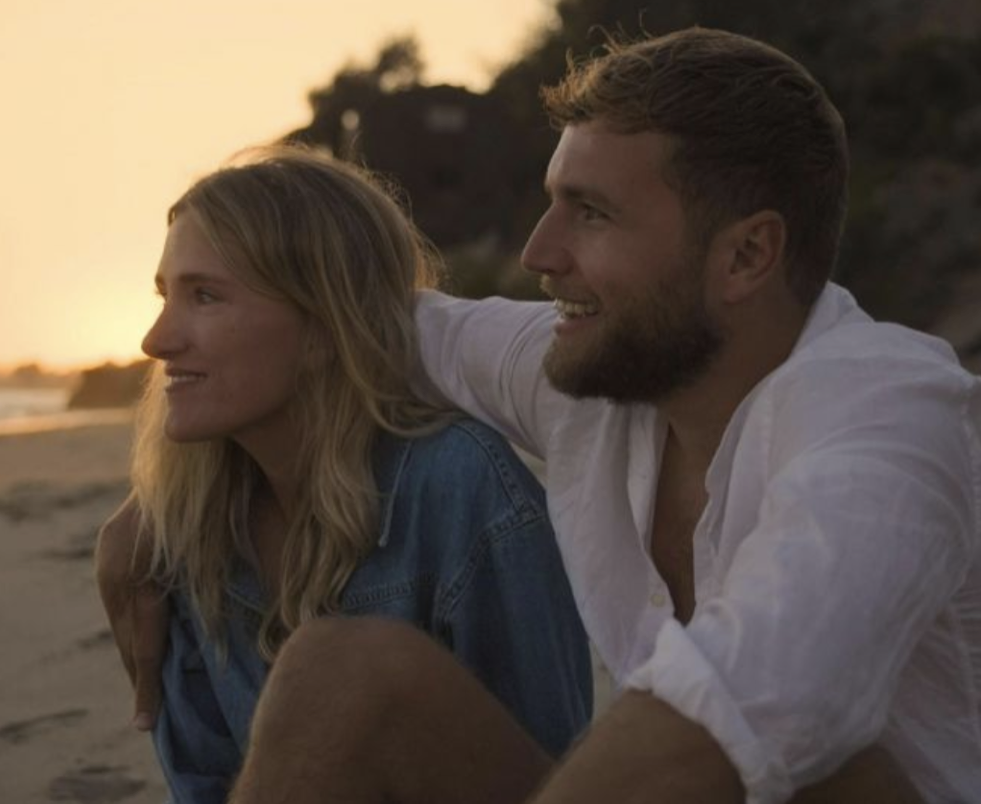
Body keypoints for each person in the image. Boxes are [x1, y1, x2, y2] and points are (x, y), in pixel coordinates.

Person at [99, 28, 981, 803]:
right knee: (340, 674)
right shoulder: (595, 378)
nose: (538, 253)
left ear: (747, 254)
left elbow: (766, 695)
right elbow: (353, 319)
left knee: (827, 762)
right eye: (553, 200)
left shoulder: (883, 417)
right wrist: (166, 500)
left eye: (590, 213)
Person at [100, 145, 593, 803]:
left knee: (333, 667)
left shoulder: (460, 489)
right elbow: (204, 787)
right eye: (165, 296)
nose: (156, 341)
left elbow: (544, 771)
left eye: (205, 297)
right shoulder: (185, 527)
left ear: (322, 328)